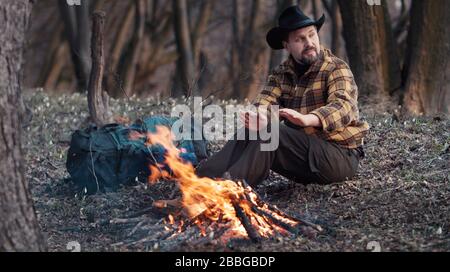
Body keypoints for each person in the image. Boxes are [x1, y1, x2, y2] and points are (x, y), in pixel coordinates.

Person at [196, 6, 369, 187]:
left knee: (271, 132)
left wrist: (308, 119)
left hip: (339, 157)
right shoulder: (281, 74)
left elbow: (343, 107)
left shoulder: (335, 68)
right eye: (300, 39)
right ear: (287, 46)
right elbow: (264, 102)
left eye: (312, 35)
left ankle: (226, 192)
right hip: (303, 159)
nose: (309, 42)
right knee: (254, 128)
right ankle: (199, 183)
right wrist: (259, 116)